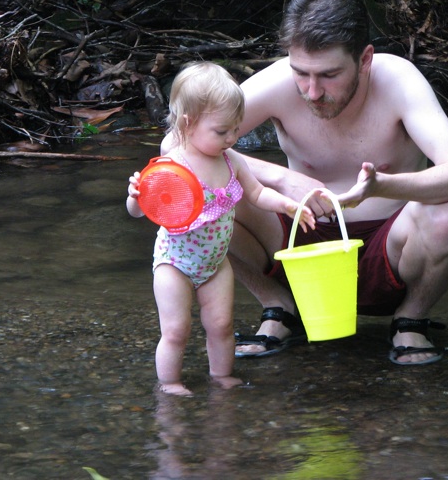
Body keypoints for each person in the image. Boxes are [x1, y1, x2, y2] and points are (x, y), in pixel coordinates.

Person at [228, 0, 448, 365]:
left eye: (329, 75)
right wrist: (281, 177)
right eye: (302, 73)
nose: (312, 91)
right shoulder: (278, 83)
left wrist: (383, 186)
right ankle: (279, 308)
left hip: (390, 249)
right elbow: (178, 146)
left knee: (444, 217)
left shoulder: (398, 80)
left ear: (364, 59)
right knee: (205, 201)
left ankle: (410, 319)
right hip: (299, 243)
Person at [127, 62, 315, 395]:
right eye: (221, 131)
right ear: (188, 124)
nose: (231, 138)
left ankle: (221, 375)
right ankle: (170, 383)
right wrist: (135, 196)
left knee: (221, 325)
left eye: (235, 130)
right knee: (176, 329)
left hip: (215, 264)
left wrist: (288, 204)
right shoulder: (174, 166)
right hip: (175, 262)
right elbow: (142, 212)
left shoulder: (231, 160)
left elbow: (257, 193)